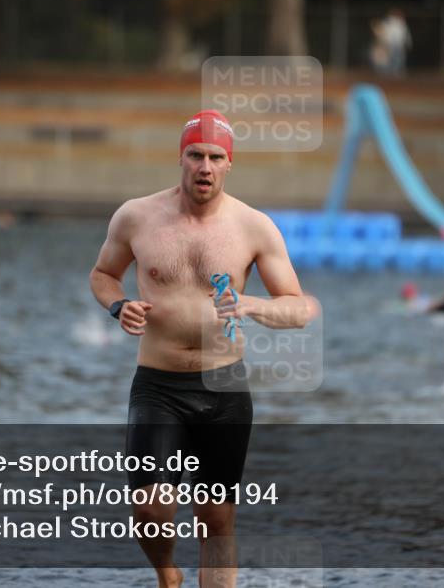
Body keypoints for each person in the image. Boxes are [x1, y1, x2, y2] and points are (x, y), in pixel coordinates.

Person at [89, 109, 315, 588]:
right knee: (150, 506)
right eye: (196, 155)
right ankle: (168, 575)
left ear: (229, 164)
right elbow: (103, 274)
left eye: (215, 157)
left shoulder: (254, 227)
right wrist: (118, 305)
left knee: (215, 518)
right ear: (181, 158)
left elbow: (300, 309)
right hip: (158, 384)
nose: (205, 166)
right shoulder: (137, 216)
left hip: (224, 386)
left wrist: (251, 303)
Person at [376, 9, 412, 77]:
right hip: (391, 43)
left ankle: (395, 72)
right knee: (391, 59)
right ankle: (391, 72)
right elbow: (383, 33)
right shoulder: (389, 23)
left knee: (398, 58)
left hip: (398, 43)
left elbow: (405, 34)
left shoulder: (401, 23)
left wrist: (408, 42)